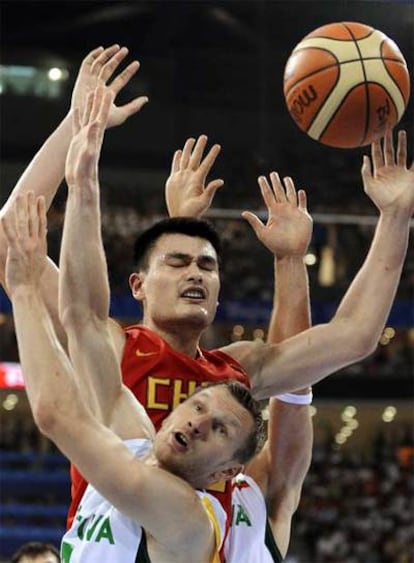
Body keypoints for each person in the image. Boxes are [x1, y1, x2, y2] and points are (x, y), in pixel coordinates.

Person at [2, 90, 265, 562]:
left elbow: (57, 415)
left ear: (227, 473)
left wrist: (22, 293)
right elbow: (79, 314)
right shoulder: (138, 440)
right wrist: (82, 176)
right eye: (199, 404)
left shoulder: (184, 513)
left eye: (220, 429)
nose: (198, 421)